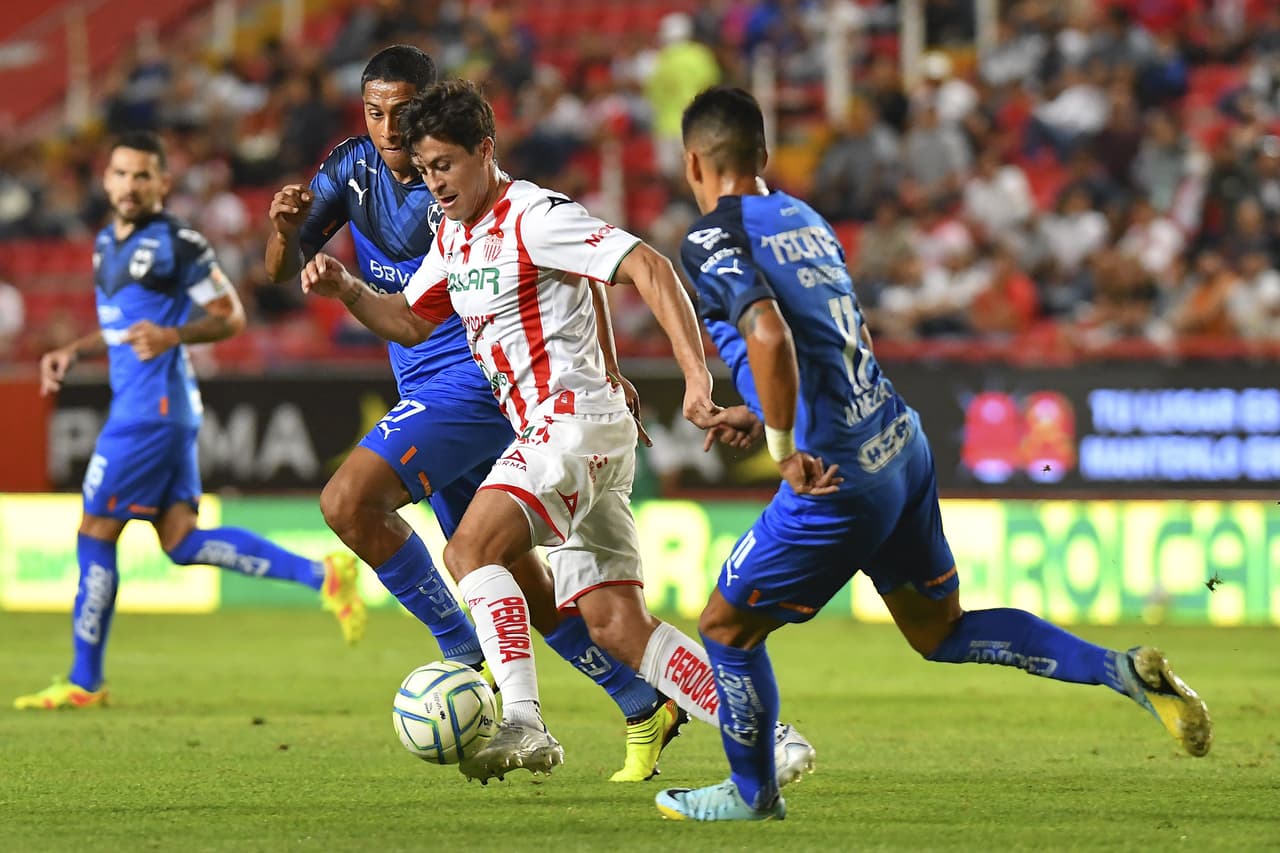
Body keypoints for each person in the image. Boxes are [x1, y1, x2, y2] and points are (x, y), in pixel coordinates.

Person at [655, 86, 1213, 822]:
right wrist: (759, 413)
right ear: (763, 156)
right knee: (941, 631)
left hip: (834, 477)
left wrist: (785, 446)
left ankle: (753, 795)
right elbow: (822, 352)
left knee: (725, 628)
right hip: (898, 444)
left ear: (692, 161)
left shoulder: (711, 236)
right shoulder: (808, 221)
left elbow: (768, 335)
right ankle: (1121, 670)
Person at [299, 78, 817, 786]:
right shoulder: (454, 236)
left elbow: (648, 266)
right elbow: (412, 320)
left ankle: (523, 719)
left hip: (569, 424)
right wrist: (349, 290)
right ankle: (772, 738)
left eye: (446, 164)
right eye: (424, 171)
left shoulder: (533, 215)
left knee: (471, 547)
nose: (435, 184)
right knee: (616, 625)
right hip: (576, 436)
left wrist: (697, 380)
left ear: (485, 150)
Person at [265, 46, 682, 782]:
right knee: (508, 576)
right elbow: (280, 271)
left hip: (475, 382)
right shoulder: (350, 169)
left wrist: (605, 364)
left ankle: (465, 659)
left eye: (404, 111)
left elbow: (571, 265)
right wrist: (283, 230)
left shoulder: (463, 177)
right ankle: (642, 700)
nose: (390, 127)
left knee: (347, 500)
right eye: (374, 111)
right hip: (421, 378)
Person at [14, 132, 366, 711]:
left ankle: (83, 682)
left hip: (149, 412)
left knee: (94, 533)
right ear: (106, 181)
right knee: (181, 542)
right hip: (158, 408)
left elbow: (231, 316)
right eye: (121, 174)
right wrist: (75, 350)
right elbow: (126, 324)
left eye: (142, 176)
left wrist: (175, 334)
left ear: (163, 184)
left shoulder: (178, 243)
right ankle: (322, 576)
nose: (130, 186)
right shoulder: (107, 242)